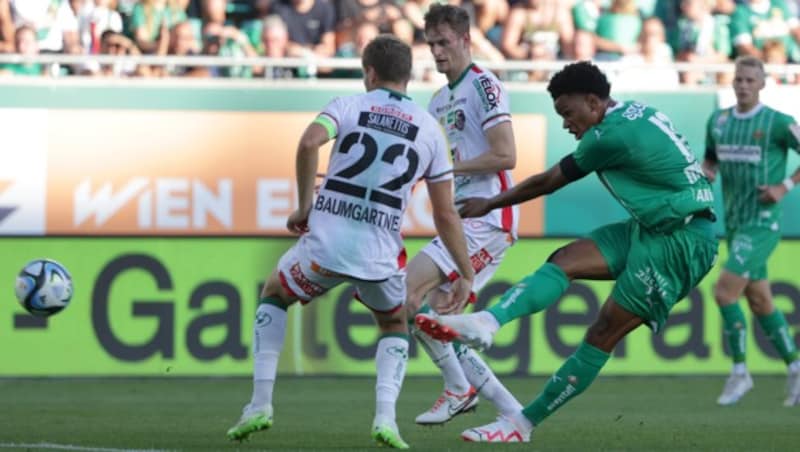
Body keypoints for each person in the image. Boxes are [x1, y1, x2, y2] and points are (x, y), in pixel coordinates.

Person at [416, 61, 720, 443]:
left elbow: (547, 182)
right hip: (654, 224)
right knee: (564, 260)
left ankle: (520, 424)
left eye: (568, 113)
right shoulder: (634, 112)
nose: (565, 123)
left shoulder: (607, 137)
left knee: (602, 331)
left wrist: (490, 203)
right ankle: (487, 322)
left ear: (593, 102)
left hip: (683, 240)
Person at [225, 34, 475, 449]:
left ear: (370, 73)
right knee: (393, 324)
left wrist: (305, 205)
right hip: (379, 253)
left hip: (326, 245)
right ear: (408, 77)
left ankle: (260, 404)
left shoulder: (348, 106)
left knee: (274, 295)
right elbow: (445, 213)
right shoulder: (430, 130)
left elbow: (309, 142)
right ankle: (386, 419)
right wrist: (465, 272)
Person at [407, 3, 523, 426]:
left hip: (490, 217)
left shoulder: (485, 85)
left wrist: (449, 168)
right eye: (431, 43)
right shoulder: (438, 100)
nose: (437, 51)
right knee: (436, 318)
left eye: (444, 42)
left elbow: (506, 154)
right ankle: (511, 411)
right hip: (464, 219)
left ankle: (459, 389)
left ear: (465, 40)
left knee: (407, 294)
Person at [702, 56, 800, 407]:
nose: (743, 85)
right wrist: (708, 171)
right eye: (739, 79)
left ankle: (740, 372)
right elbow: (711, 157)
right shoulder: (719, 121)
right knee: (759, 300)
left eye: (750, 80)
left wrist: (784, 186)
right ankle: (795, 367)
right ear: (732, 82)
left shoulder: (777, 122)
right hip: (735, 222)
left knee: (724, 292)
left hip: (763, 222)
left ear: (762, 85)